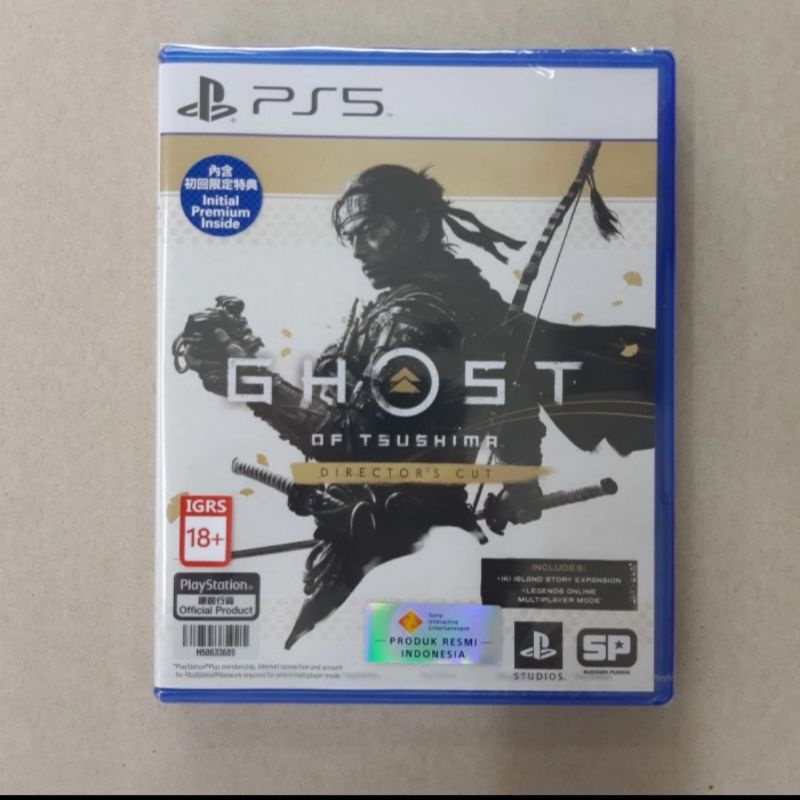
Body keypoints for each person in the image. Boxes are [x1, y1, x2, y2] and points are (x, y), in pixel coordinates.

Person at [177, 164, 547, 648]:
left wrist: (248, 380)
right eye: (350, 237)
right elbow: (517, 404)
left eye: (371, 230)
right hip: (434, 538)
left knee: (317, 659)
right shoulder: (472, 301)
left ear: (417, 227)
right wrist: (521, 488)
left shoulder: (412, 316)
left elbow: (354, 443)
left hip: (388, 545)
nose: (357, 250)